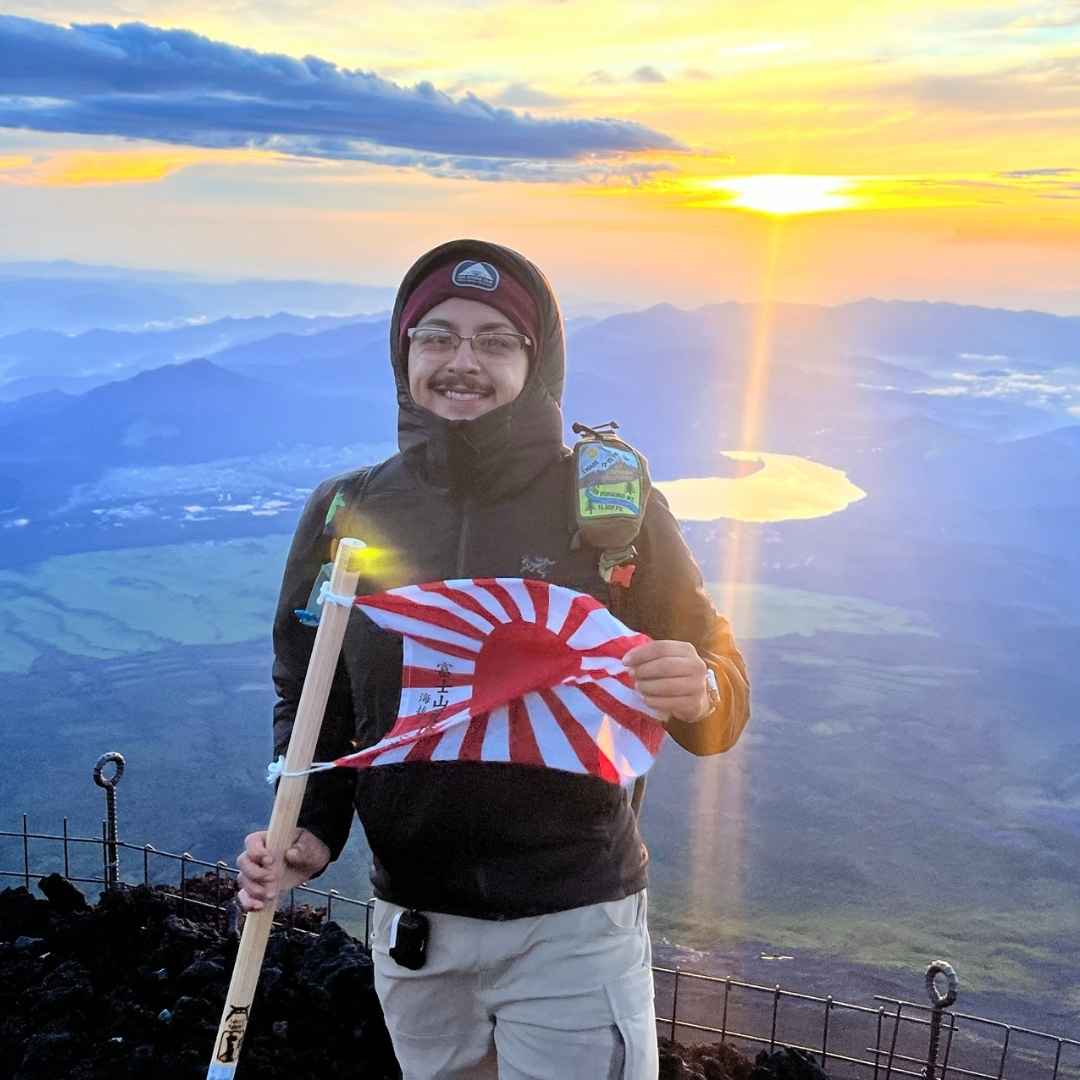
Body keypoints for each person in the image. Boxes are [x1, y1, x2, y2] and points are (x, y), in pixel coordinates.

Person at [237, 239, 750, 1079]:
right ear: (403, 354)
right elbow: (314, 692)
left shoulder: (609, 506)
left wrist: (701, 688)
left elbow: (719, 687)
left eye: (495, 340)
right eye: (435, 336)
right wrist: (313, 833)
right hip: (412, 928)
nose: (461, 361)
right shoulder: (347, 511)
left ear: (536, 360)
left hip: (573, 925)